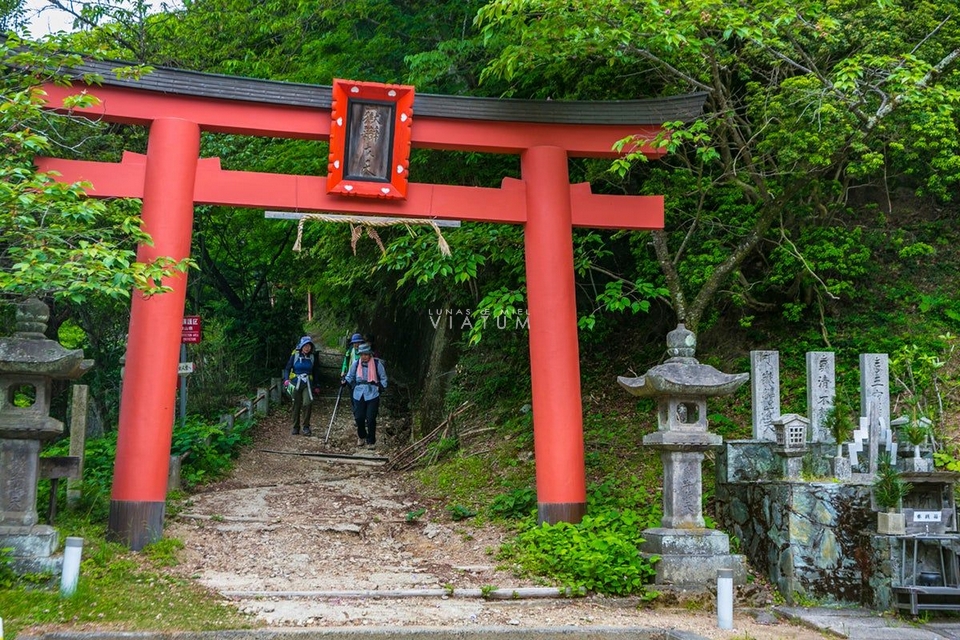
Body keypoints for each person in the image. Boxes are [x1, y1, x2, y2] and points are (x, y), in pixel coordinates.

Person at [344, 343, 387, 449]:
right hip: (358, 393)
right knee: (359, 417)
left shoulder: (377, 364)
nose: (364, 357)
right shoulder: (356, 363)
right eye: (362, 354)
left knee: (371, 418)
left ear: (370, 354)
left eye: (366, 354)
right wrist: (345, 382)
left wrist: (381, 387)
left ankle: (371, 441)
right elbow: (350, 376)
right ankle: (362, 435)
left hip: (372, 393)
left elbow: (383, 378)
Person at [282, 335, 320, 436]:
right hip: (295, 383)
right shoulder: (295, 356)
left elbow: (316, 372)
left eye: (309, 346)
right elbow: (287, 368)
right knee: (296, 405)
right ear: (301, 346)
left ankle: (306, 426)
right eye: (305, 345)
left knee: (307, 403)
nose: (307, 348)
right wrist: (286, 380)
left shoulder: (312, 357)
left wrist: (316, 386)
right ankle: (295, 427)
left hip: (307, 384)